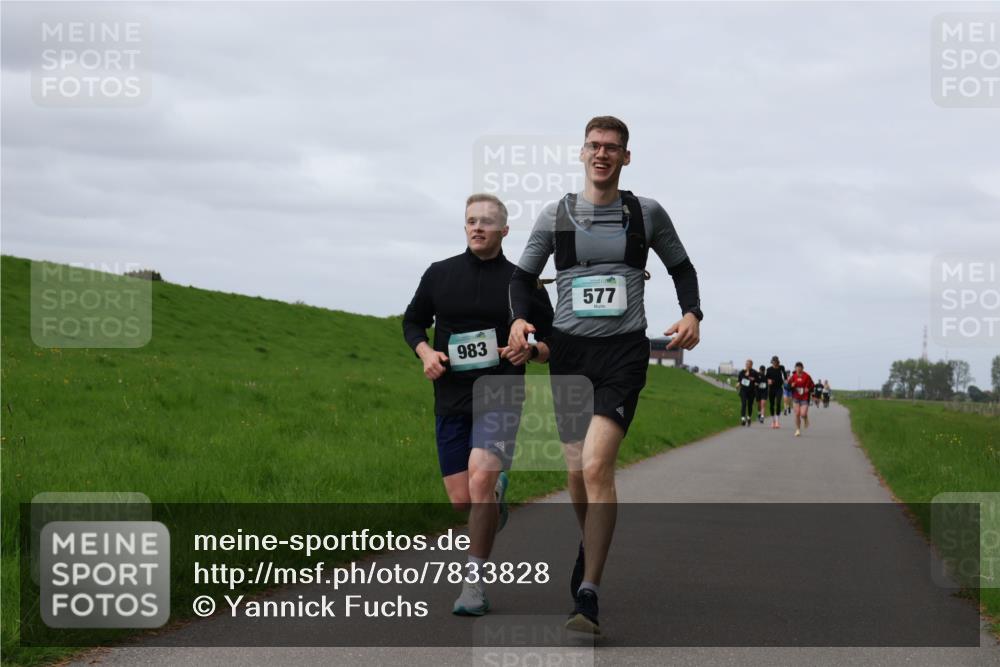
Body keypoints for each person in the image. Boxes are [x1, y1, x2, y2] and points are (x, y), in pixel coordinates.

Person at [507, 116, 702, 635]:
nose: (602, 154)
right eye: (594, 145)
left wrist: (692, 314)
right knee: (575, 472)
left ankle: (588, 594)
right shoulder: (556, 216)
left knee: (596, 468)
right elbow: (522, 279)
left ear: (626, 157)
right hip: (569, 355)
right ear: (582, 153)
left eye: (612, 148)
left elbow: (682, 267)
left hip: (622, 355)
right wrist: (519, 317)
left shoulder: (646, 214)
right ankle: (590, 540)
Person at [403, 193, 554, 616]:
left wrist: (535, 350)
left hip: (501, 391)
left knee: (480, 477)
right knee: (461, 500)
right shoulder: (439, 274)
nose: (477, 227)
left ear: (505, 231)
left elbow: (555, 340)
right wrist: (426, 354)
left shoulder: (521, 283)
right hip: (451, 395)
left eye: (487, 222)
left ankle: (473, 586)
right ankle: (494, 497)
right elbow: (413, 321)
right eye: (471, 220)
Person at [787, 362, 815, 437]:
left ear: (802, 368)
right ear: (795, 368)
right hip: (796, 397)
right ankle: (798, 430)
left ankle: (805, 418)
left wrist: (808, 389)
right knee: (797, 414)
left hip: (804, 398)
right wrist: (791, 386)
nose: (798, 368)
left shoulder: (807, 376)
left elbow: (813, 385)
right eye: (797, 367)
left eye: (800, 367)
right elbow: (787, 387)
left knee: (803, 414)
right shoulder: (793, 377)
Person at [764, 356, 787, 428]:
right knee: (771, 405)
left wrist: (786, 380)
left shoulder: (781, 367)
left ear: (778, 362)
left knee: (778, 403)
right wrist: (768, 381)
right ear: (772, 362)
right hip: (771, 388)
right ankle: (773, 421)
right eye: (773, 361)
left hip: (779, 388)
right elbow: (766, 378)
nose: (775, 363)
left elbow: (785, 375)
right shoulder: (769, 369)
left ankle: (777, 421)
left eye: (776, 361)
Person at [737, 359, 757, 427]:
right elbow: (739, 380)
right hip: (743, 391)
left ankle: (749, 417)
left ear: (751, 365)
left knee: (750, 405)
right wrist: (738, 384)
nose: (747, 365)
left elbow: (757, 381)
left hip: (751, 391)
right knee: (744, 403)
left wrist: (754, 381)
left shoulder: (754, 372)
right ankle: (743, 419)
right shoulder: (742, 372)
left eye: (749, 364)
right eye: (746, 364)